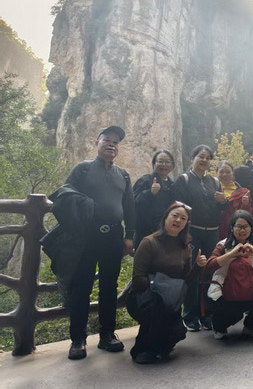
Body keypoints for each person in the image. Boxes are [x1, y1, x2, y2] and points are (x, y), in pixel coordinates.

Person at [63, 125, 135, 360]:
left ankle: (107, 335)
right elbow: (65, 196)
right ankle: (78, 340)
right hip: (86, 236)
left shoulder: (123, 175)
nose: (112, 144)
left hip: (113, 235)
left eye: (116, 142)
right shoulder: (82, 169)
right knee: (81, 287)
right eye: (107, 140)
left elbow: (129, 207)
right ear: (97, 143)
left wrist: (129, 235)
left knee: (109, 287)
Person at [128, 202, 207, 364]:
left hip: (169, 299)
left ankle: (159, 344)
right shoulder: (149, 242)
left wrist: (198, 266)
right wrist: (161, 289)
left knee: (176, 333)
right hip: (144, 297)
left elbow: (185, 282)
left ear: (186, 224)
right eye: (175, 216)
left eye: (183, 218)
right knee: (156, 307)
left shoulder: (185, 248)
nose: (178, 220)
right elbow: (138, 279)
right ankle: (142, 350)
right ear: (165, 218)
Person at [174, 145, 228, 332]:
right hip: (193, 233)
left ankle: (207, 315)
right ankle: (191, 315)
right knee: (192, 273)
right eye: (201, 156)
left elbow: (223, 208)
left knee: (210, 273)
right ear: (192, 158)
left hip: (212, 232)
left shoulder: (214, 181)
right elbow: (178, 207)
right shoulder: (184, 179)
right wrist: (184, 232)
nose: (204, 160)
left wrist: (223, 201)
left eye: (207, 157)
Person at [205, 210, 253, 339]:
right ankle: (218, 326)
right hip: (225, 291)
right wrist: (231, 254)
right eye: (239, 226)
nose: (242, 230)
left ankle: (250, 326)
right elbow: (209, 266)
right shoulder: (223, 245)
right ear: (232, 228)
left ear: (251, 229)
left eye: (246, 227)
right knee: (235, 315)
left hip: (247, 290)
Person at [133, 150, 177, 249]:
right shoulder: (145, 180)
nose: (164, 165)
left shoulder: (172, 185)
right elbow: (133, 202)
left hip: (165, 233)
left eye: (167, 162)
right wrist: (149, 193)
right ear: (154, 164)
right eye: (160, 161)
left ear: (172, 165)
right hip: (145, 233)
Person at [216, 160, 252, 240]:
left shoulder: (243, 192)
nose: (224, 174)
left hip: (235, 231)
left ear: (233, 173)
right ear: (216, 173)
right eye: (221, 172)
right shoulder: (211, 190)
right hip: (213, 230)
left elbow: (247, 215)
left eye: (228, 172)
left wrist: (246, 204)